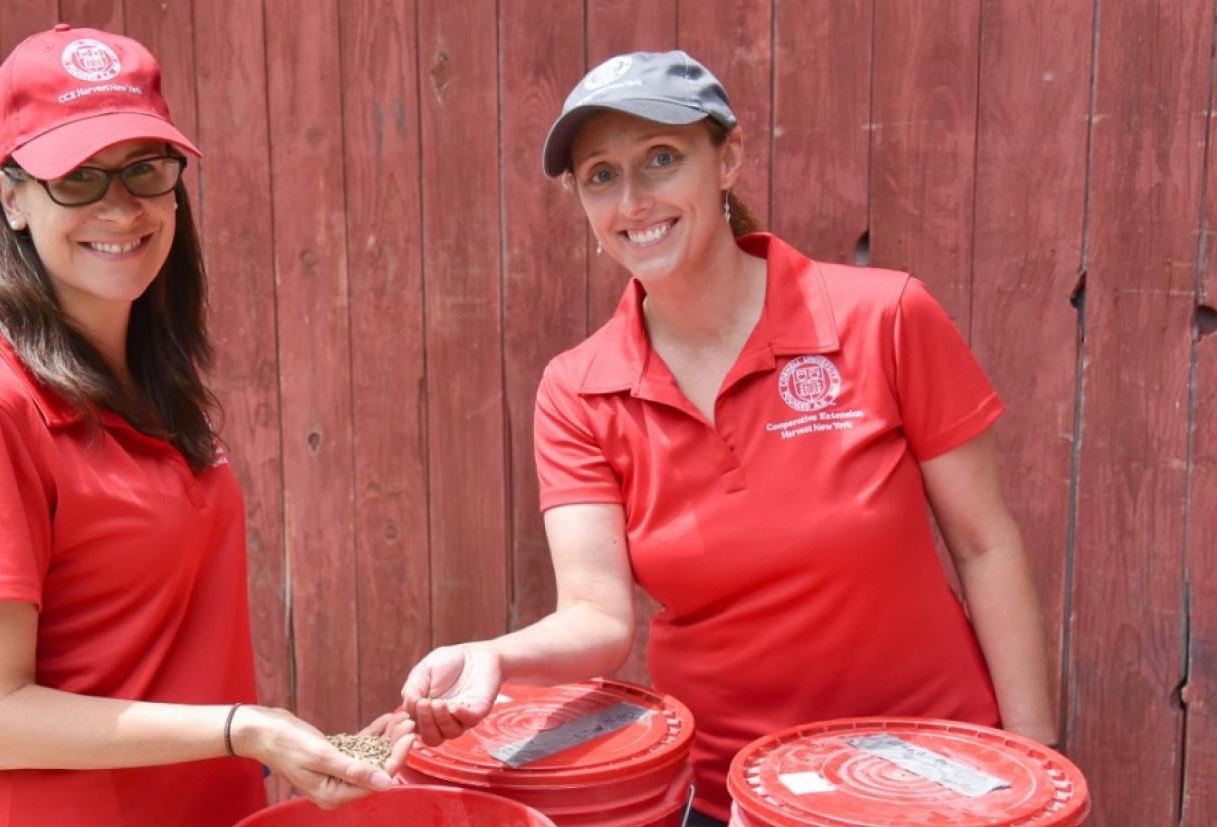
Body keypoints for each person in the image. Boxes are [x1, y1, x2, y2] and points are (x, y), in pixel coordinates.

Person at [400, 50, 1057, 825]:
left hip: (930, 780)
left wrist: (1034, 762)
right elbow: (598, 614)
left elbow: (986, 545)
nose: (634, 200)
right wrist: (497, 656)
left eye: (662, 158)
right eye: (602, 175)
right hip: (729, 796)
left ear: (728, 158)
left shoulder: (884, 318)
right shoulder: (577, 389)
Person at [0, 24, 413, 826]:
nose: (121, 204)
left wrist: (277, 746)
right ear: (12, 201)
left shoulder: (148, 376)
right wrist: (247, 729)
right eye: (78, 176)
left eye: (144, 167)